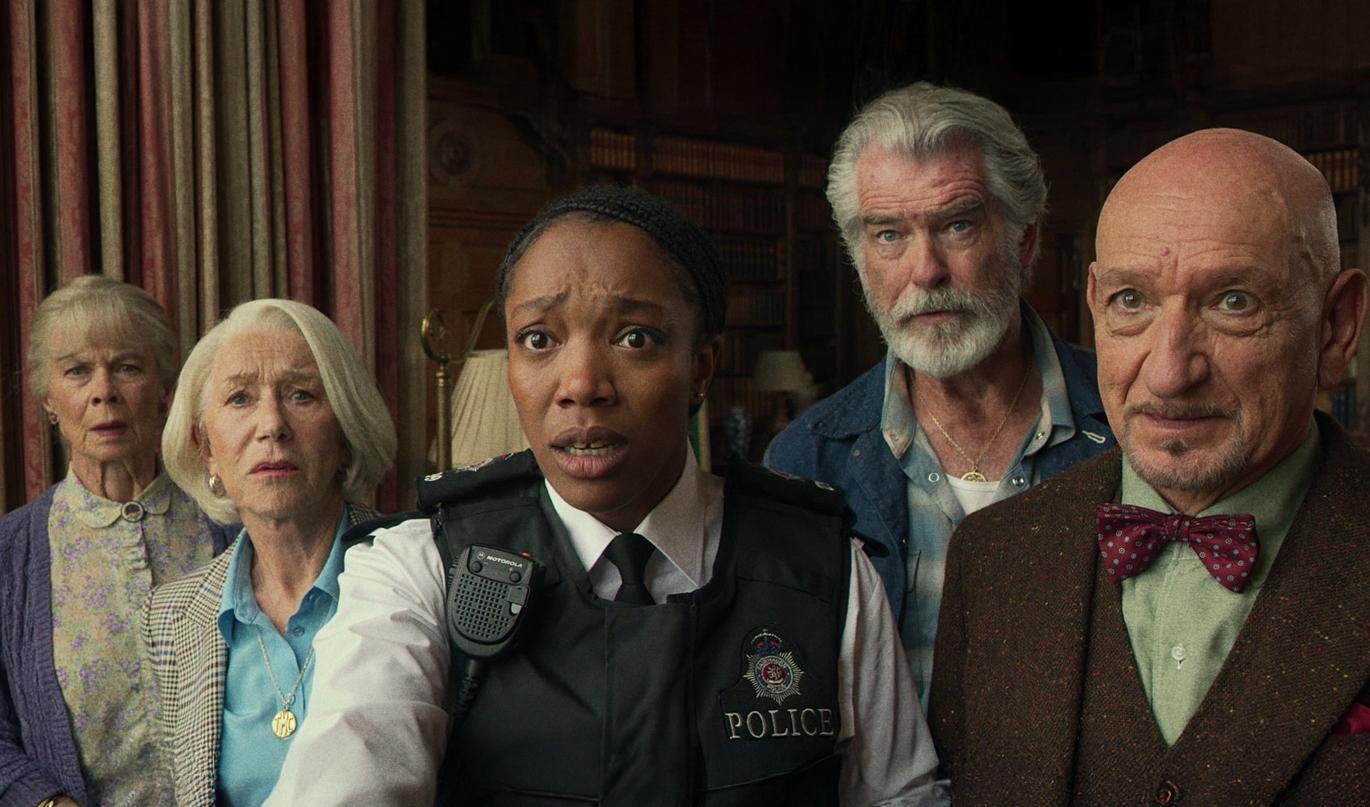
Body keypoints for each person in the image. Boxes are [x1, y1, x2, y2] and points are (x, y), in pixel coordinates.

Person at [267, 186, 945, 805]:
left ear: (700, 368)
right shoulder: (421, 565)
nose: (581, 384)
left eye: (634, 337)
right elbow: (347, 774)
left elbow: (900, 796)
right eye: (539, 339)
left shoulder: (820, 564)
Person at [928, 128, 1370, 804]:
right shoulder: (992, 558)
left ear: (1336, 326)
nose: (1168, 373)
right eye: (1131, 300)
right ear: (1095, 303)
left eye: (1233, 301)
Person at [765, 81, 1114, 701]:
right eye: (889, 235)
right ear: (859, 258)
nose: (926, 271)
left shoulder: (1130, 426)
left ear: (1025, 239)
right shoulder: (804, 463)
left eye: (957, 225)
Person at [142, 299, 396, 806]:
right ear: (206, 448)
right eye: (239, 398)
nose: (272, 425)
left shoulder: (416, 571)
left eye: (301, 394)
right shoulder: (170, 617)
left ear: (345, 435)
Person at [0, 276, 234, 807]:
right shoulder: (9, 556)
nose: (103, 391)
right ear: (49, 399)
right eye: (77, 371)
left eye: (127, 367)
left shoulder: (234, 526)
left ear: (165, 388)